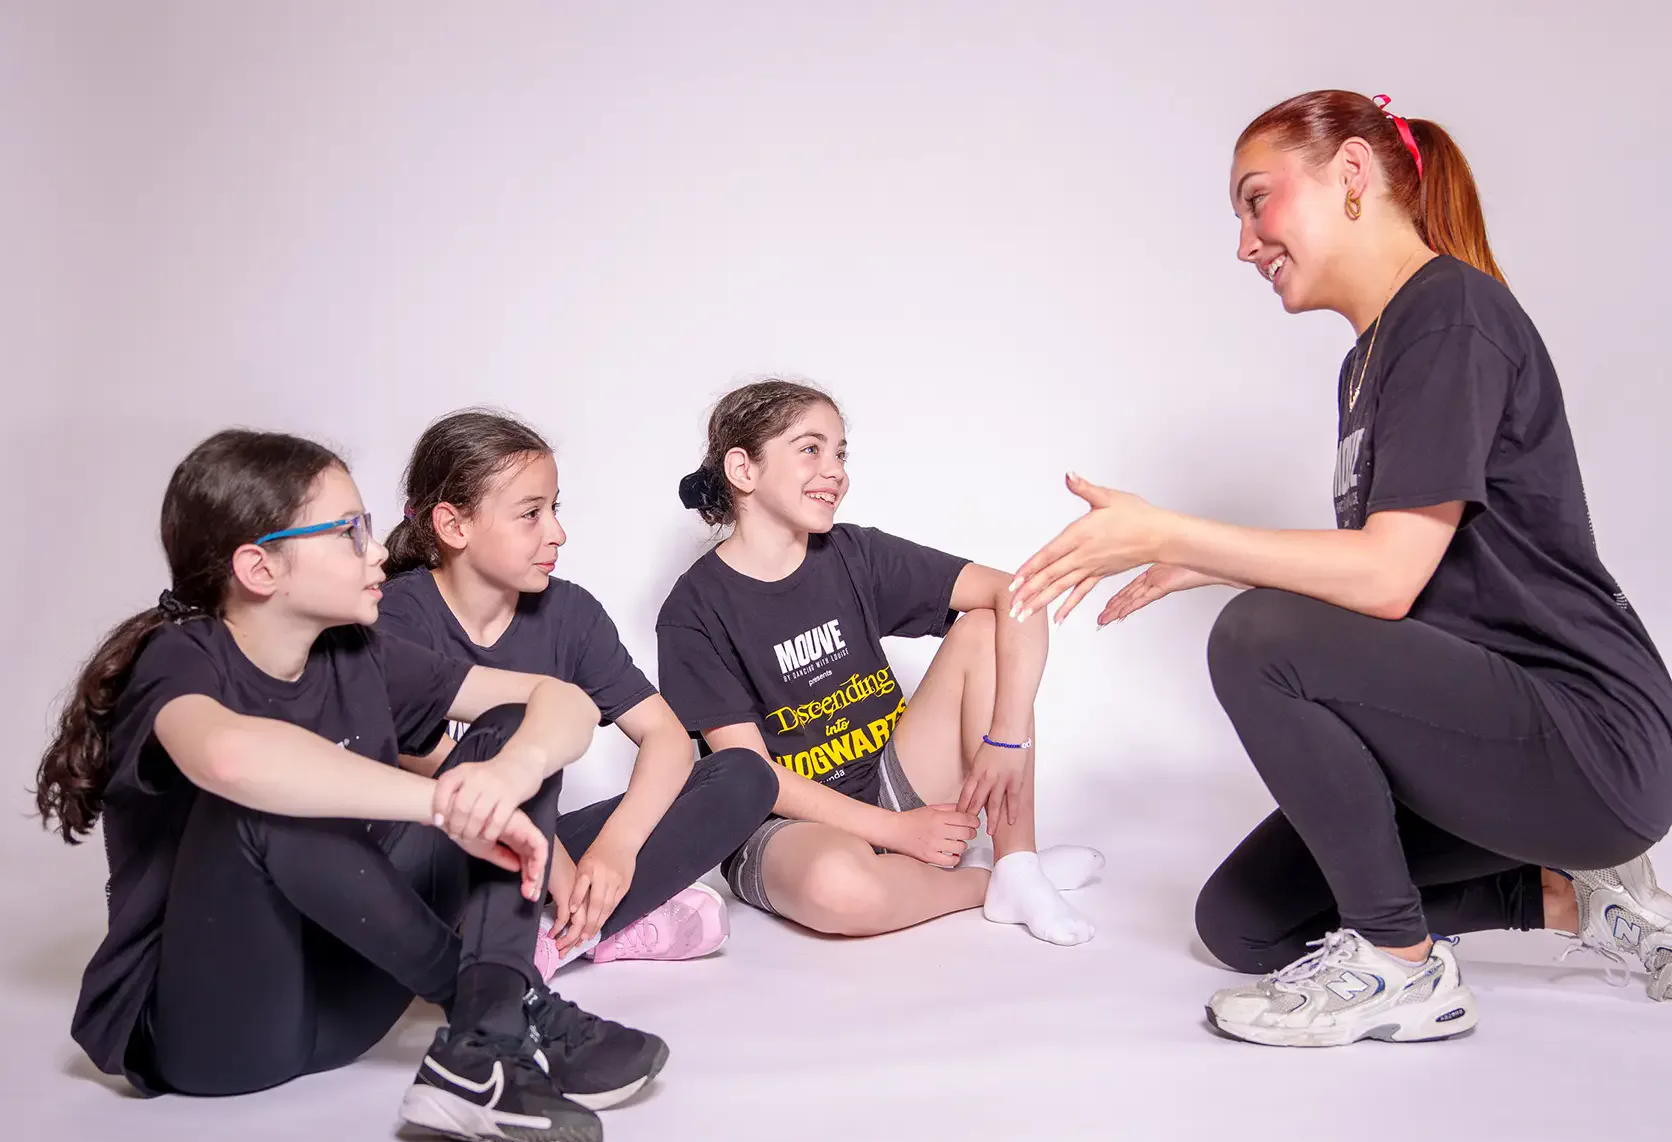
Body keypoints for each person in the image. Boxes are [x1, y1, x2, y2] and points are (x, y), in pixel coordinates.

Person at [1010, 90, 1672, 1045]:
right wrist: (1204, 557)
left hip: (1588, 741)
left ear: (1352, 173)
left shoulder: (1450, 314)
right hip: (1493, 738)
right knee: (1243, 922)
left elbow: (1388, 578)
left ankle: (1403, 971)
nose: (1245, 242)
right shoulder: (1369, 358)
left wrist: (1179, 536)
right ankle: (1573, 897)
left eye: (1257, 199)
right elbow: (1404, 581)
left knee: (1257, 634)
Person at [36, 430, 668, 1142]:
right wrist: (440, 804)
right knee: (262, 805)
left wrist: (507, 775)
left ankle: (482, 1044)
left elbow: (560, 701)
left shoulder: (359, 652)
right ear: (259, 566)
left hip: (352, 1003)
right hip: (215, 1031)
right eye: (348, 532)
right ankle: (492, 1009)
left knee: (502, 736)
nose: (377, 552)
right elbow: (231, 756)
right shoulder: (181, 659)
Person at [654, 379, 1103, 944]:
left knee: (986, 627)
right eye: (810, 449)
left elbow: (1018, 597)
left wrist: (1006, 739)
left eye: (840, 453)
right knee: (840, 888)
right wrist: (899, 831)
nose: (835, 470)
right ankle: (988, 883)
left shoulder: (854, 554)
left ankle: (1019, 861)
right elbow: (752, 773)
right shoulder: (692, 611)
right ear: (743, 469)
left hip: (893, 776)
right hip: (788, 824)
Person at [376, 409, 779, 975]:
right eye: (530, 514)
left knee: (743, 773)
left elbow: (664, 734)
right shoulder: (396, 614)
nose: (557, 533)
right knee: (506, 742)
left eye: (554, 509)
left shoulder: (570, 613)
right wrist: (560, 869)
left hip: (536, 844)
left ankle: (557, 939)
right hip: (437, 860)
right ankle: (596, 927)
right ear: (453, 526)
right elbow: (419, 756)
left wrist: (618, 848)